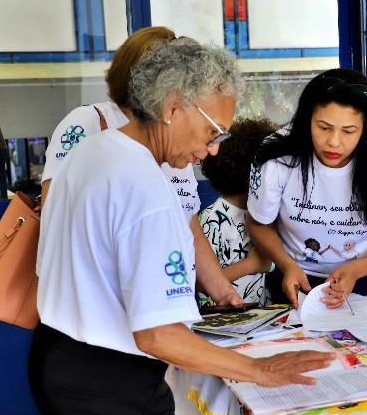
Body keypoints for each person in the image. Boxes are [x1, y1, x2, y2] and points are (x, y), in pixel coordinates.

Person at [30, 39, 334, 415]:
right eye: (212, 133)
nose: (213, 150)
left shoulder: (94, 150)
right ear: (172, 108)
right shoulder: (145, 187)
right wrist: (257, 370)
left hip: (56, 361)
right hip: (112, 387)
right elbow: (157, 334)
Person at [40, 26, 244, 308]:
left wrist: (224, 294)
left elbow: (190, 229)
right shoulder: (87, 123)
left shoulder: (176, 143)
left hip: (168, 308)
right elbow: (56, 218)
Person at [247, 69, 367, 308]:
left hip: (365, 276)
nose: (334, 142)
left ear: (366, 130)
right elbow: (258, 223)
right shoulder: (278, 155)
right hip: (294, 276)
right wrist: (286, 264)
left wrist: (355, 269)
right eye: (324, 127)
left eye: (349, 131)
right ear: (307, 119)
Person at [198, 117, 278, 304]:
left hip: (263, 319)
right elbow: (197, 284)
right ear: (251, 176)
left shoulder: (266, 215)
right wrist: (251, 265)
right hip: (222, 320)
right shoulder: (212, 219)